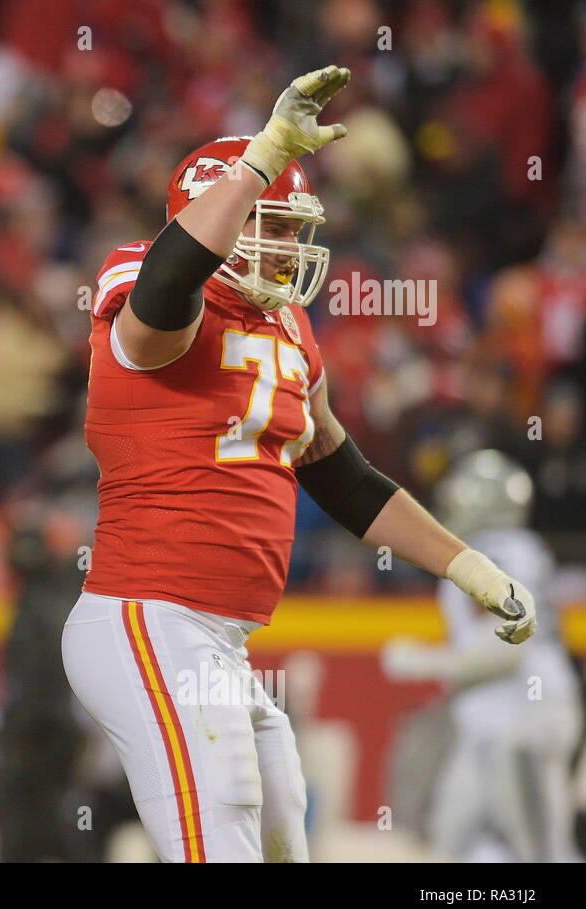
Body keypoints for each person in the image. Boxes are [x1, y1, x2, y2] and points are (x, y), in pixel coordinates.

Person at [64, 66, 539, 863]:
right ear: (215, 213)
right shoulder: (148, 282)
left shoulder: (289, 328)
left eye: (294, 228)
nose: (288, 246)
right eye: (271, 224)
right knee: (224, 821)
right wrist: (258, 161)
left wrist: (466, 565)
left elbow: (338, 470)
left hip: (220, 637)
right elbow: (166, 293)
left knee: (285, 813)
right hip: (146, 616)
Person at [382, 450, 583, 862]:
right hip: (491, 723)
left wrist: (425, 662)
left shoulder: (502, 550)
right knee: (450, 838)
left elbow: (511, 646)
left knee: (540, 848)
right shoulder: (506, 549)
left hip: (523, 721)